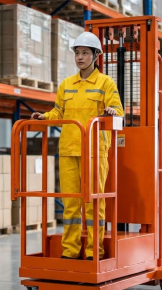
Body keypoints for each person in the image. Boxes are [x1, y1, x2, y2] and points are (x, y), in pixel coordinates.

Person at [31, 32, 124, 261]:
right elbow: (58, 113)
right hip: (68, 150)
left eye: (85, 53)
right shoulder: (66, 84)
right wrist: (45, 117)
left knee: (94, 204)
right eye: (77, 53)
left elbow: (119, 113)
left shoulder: (106, 83)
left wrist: (112, 111)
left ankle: (94, 252)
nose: (80, 57)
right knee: (70, 205)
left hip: (95, 152)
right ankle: (70, 252)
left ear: (96, 56)